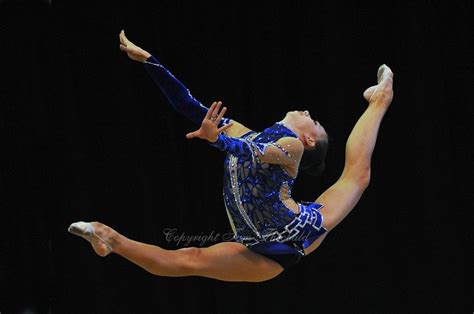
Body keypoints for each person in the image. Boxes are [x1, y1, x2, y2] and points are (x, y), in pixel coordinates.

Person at [68, 30, 394, 283]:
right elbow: (188, 106)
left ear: (309, 139)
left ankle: (380, 100)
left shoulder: (292, 147)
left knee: (357, 176)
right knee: (189, 259)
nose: (309, 112)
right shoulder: (241, 131)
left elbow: (257, 153)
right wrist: (152, 62)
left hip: (295, 233)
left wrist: (218, 142)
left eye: (316, 122)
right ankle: (108, 236)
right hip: (256, 248)